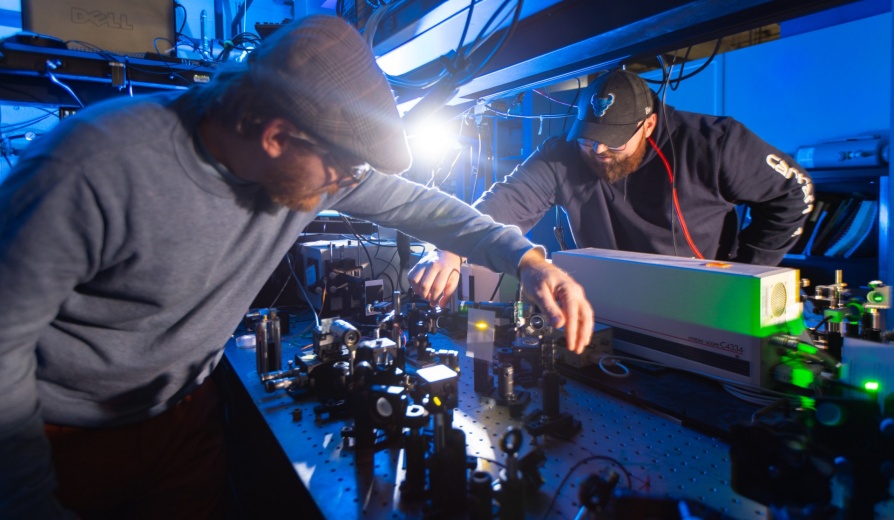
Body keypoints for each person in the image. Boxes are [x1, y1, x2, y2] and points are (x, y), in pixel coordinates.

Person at [0, 15, 594, 519]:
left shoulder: (311, 169)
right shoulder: (90, 167)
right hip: (60, 437)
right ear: (278, 136)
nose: (351, 184)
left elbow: (421, 205)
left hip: (184, 415)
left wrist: (527, 259)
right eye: (344, 170)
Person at [409, 69, 814, 305]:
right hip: (606, 307)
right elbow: (505, 201)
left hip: (702, 305)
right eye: (588, 139)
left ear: (649, 124)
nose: (599, 150)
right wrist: (451, 248)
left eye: (614, 141)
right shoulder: (563, 154)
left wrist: (745, 274)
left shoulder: (713, 143)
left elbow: (795, 194)